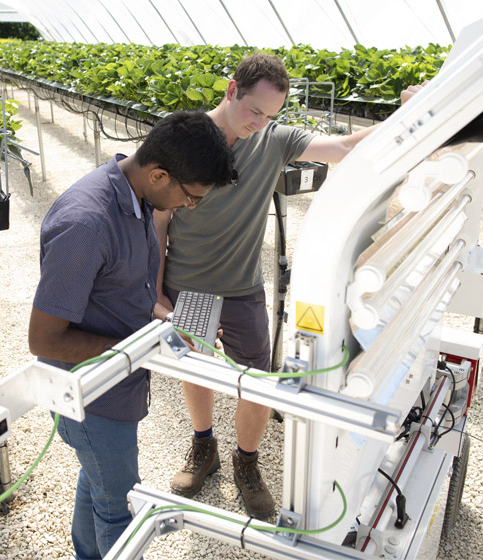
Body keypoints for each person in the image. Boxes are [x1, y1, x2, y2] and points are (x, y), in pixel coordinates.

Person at [153, 53, 423, 520]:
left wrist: (408, 114)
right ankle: (204, 449)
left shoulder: (274, 141)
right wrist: (156, 291)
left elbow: (345, 148)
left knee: (256, 378)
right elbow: (158, 219)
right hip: (187, 283)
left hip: (241, 286)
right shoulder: (185, 137)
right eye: (254, 110)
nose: (259, 123)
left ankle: (247, 463)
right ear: (232, 89)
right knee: (195, 369)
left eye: (271, 116)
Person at [28, 109, 233, 560]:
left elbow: (125, 293)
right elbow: (44, 339)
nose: (189, 207)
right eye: (191, 197)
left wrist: (167, 327)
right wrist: (140, 348)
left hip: (117, 388)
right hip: (91, 398)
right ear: (159, 174)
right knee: (120, 507)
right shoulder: (87, 224)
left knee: (99, 483)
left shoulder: (140, 197)